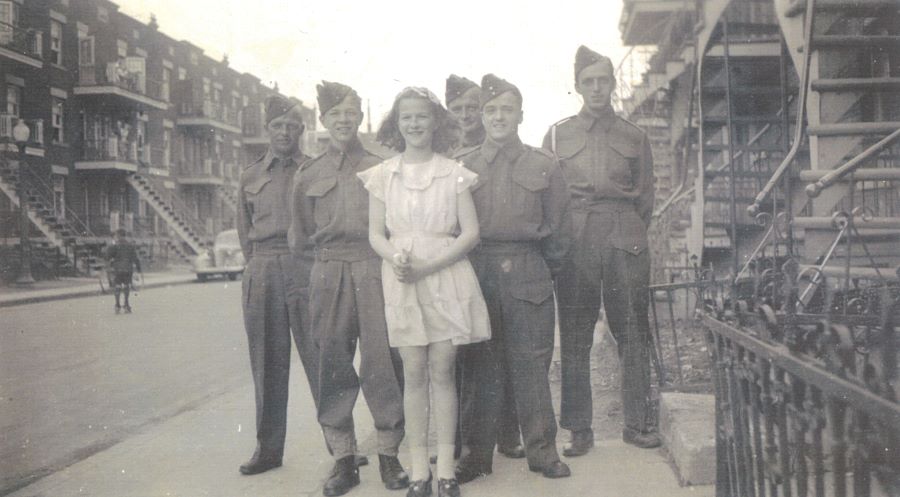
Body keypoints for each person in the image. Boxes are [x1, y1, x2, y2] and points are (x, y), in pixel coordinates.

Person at [359, 87, 491, 497]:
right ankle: (419, 470)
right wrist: (396, 258)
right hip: (401, 278)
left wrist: (430, 266)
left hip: (445, 275)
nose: (415, 124)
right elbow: (375, 234)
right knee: (413, 373)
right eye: (406, 118)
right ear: (397, 125)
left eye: (421, 116)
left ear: (436, 121)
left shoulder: (453, 172)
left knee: (443, 371)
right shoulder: (383, 175)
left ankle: (447, 469)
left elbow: (470, 233)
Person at [291, 81, 407, 497]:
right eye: (334, 113)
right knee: (332, 363)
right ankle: (343, 460)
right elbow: (300, 236)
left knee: (383, 361)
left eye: (350, 112)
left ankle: (390, 455)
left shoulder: (381, 166)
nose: (343, 119)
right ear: (323, 120)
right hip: (328, 270)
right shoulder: (308, 173)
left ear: (360, 117)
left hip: (374, 268)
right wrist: (321, 276)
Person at [454, 74, 571, 483]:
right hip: (479, 270)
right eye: (491, 110)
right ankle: (474, 456)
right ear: (482, 117)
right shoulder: (464, 166)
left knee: (532, 365)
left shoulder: (543, 163)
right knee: (478, 366)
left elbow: (559, 230)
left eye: (506, 109)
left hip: (527, 268)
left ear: (520, 115)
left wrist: (538, 268)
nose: (498, 116)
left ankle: (542, 452)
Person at [543, 45, 659, 454]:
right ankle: (579, 428)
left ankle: (638, 422)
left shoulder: (634, 135)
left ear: (612, 84)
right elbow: (550, 193)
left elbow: (645, 196)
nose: (596, 88)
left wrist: (626, 229)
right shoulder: (558, 134)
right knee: (575, 335)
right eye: (588, 81)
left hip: (623, 233)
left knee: (631, 329)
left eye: (603, 80)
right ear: (577, 86)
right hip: (575, 238)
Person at [236, 95, 318, 475]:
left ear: (301, 130)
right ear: (267, 130)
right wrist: (258, 268)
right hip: (264, 268)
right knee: (267, 363)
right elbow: (244, 234)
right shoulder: (249, 176)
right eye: (278, 126)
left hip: (306, 266)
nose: (285, 132)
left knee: (322, 358)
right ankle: (268, 450)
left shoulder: (314, 169)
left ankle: (342, 448)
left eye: (292, 126)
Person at [445, 74, 525, 461]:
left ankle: (507, 434)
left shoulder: (496, 147)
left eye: (470, 108)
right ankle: (461, 439)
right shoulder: (446, 153)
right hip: (462, 263)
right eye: (457, 109)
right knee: (462, 355)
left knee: (505, 351)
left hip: (500, 259)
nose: (465, 115)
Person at [104, 228, 141, 314]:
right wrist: (138, 269)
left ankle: (117, 305)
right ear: (125, 235)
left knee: (117, 286)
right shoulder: (130, 245)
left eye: (117, 235)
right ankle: (126, 305)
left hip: (118, 269)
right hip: (128, 268)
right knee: (127, 286)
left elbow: (107, 257)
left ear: (118, 235)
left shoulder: (114, 246)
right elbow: (135, 258)